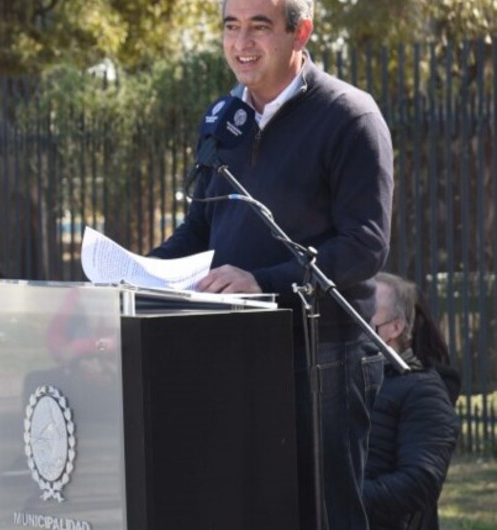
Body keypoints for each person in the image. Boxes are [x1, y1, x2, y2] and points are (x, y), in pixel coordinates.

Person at [148, 0, 394, 528]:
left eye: (259, 27)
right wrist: (137, 272)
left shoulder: (349, 116)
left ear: (300, 31)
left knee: (325, 514)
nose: (241, 44)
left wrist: (264, 282)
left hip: (321, 353)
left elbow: (365, 244)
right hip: (233, 349)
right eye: (231, 27)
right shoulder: (223, 119)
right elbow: (200, 229)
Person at [364, 273, 459, 530]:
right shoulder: (345, 379)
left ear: (395, 328)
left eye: (365, 311)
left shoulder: (422, 391)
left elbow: (420, 482)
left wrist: (346, 498)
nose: (354, 320)